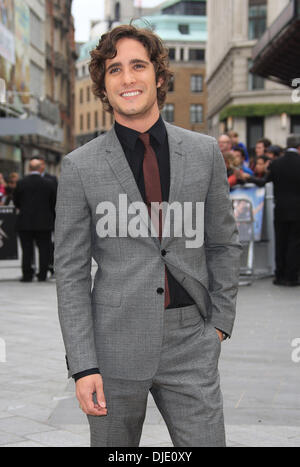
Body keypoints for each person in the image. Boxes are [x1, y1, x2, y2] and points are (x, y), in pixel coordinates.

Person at [54, 24, 242, 447]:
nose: (128, 78)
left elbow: (223, 242)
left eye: (138, 65)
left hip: (191, 339)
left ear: (158, 76)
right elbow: (70, 273)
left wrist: (219, 325)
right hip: (112, 345)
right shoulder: (80, 166)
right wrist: (84, 366)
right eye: (114, 69)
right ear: (103, 84)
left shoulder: (203, 152)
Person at [262, 148, 300, 286]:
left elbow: (264, 181)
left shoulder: (276, 163)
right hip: (297, 209)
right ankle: (291, 276)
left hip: (281, 208)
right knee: (295, 243)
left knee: (280, 241)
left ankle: (280, 274)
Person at [13, 159, 56, 282]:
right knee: (44, 249)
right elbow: (53, 201)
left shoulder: (21, 183)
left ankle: (27, 274)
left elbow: (16, 200)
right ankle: (42, 274)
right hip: (44, 222)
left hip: (25, 222)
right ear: (40, 169)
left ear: (29, 169)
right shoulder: (49, 183)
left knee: (26, 250)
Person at [31, 156, 58, 276]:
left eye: (42, 164)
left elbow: (55, 198)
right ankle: (37, 269)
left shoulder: (51, 179)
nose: (41, 166)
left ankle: (49, 267)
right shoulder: (27, 180)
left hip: (47, 218)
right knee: (36, 246)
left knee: (47, 246)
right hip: (33, 219)